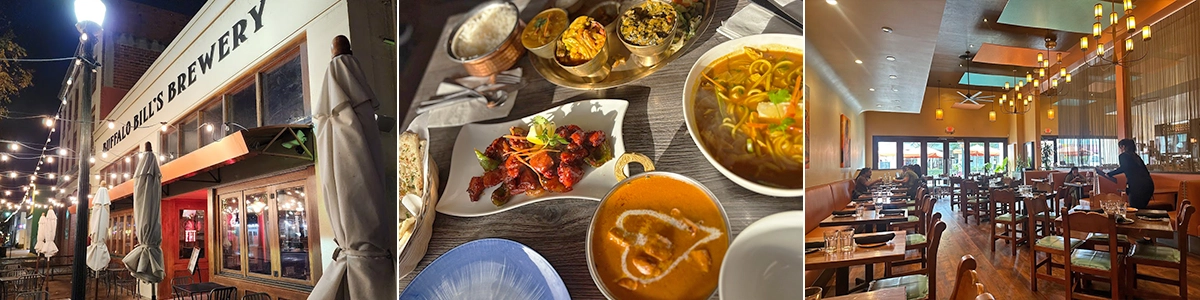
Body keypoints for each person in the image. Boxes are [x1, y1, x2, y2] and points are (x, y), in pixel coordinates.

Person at [1096, 139, 1154, 209]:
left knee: (1135, 209)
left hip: (1137, 186)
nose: (1120, 149)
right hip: (1148, 185)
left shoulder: (1123, 156)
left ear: (1123, 147)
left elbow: (1124, 168)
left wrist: (1110, 174)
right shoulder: (1136, 157)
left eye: (1119, 147)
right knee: (1140, 209)